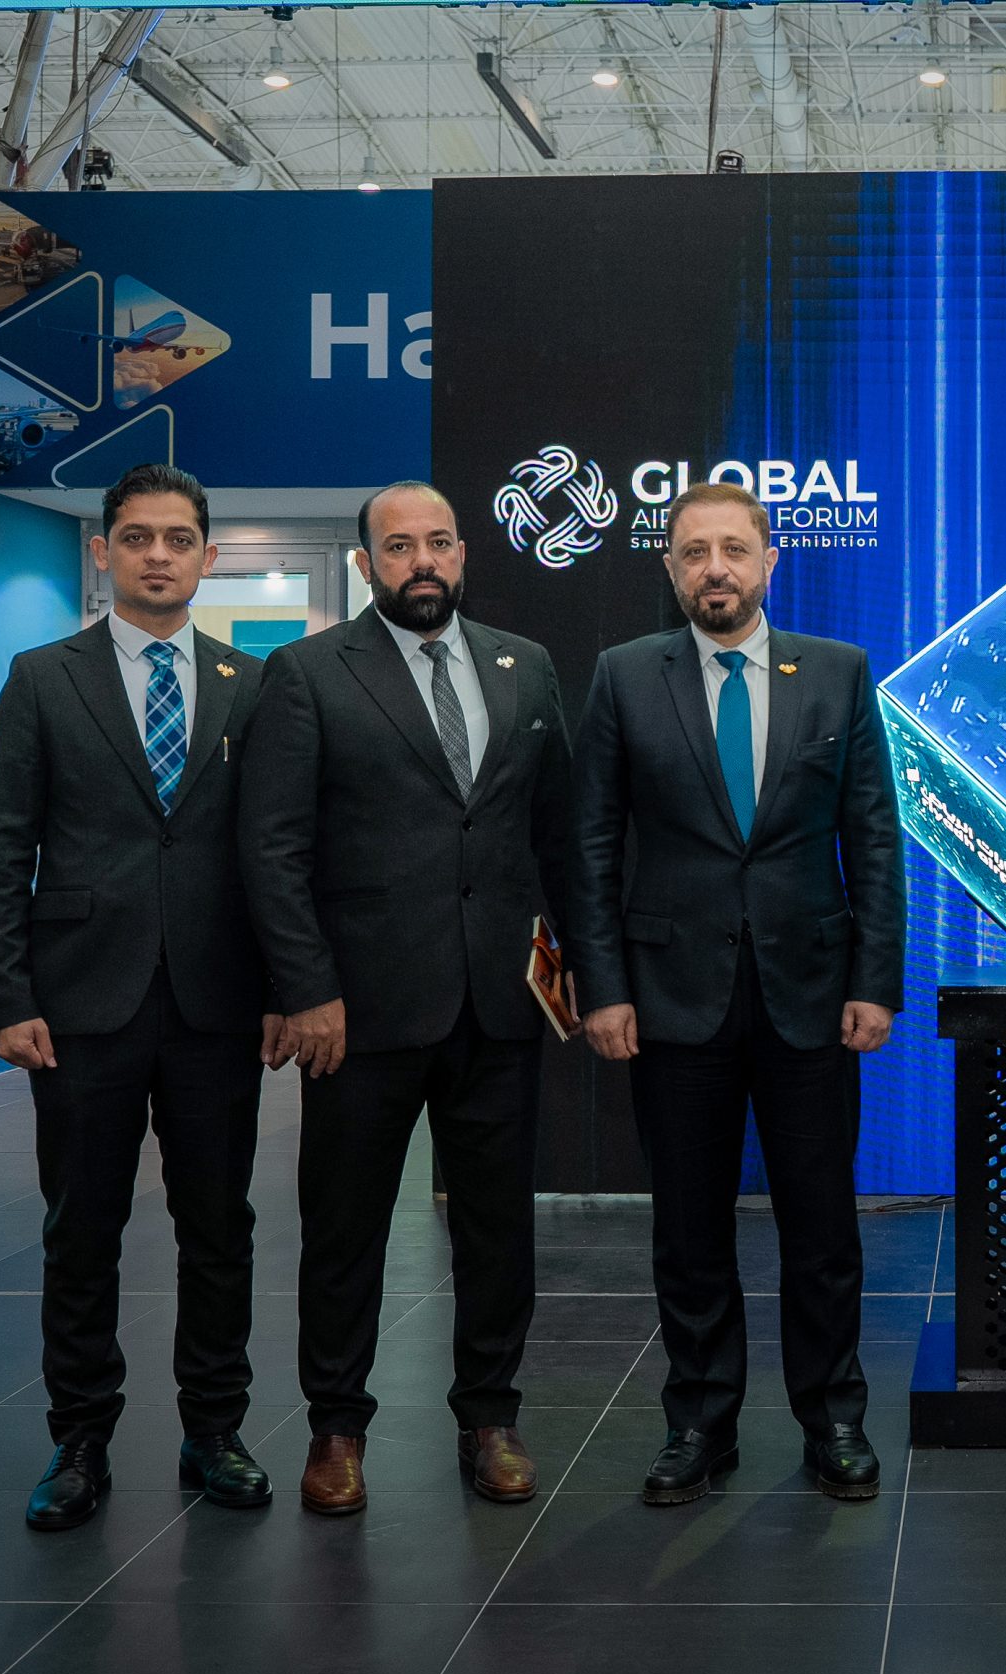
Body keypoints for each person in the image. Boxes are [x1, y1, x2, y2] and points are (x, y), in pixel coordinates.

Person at [238, 481, 574, 1516]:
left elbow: (556, 833)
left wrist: (577, 973)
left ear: (464, 552)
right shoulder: (306, 674)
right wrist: (306, 989)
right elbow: (273, 848)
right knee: (345, 1232)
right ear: (365, 564)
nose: (421, 561)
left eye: (437, 542)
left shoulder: (525, 665)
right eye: (398, 546)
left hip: (499, 1005)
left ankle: (491, 1419)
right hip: (359, 1014)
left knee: (496, 1230)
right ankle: (336, 1429)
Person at [565, 482, 904, 1504]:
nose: (715, 568)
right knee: (689, 1230)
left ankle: (834, 1418)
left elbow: (873, 840)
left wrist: (876, 981)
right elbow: (591, 845)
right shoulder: (625, 676)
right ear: (670, 567)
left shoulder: (838, 672)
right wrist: (602, 986)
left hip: (812, 994)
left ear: (768, 561)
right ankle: (699, 1425)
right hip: (670, 997)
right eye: (694, 552)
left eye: (734, 550)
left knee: (822, 1228)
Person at [0, 463, 278, 1529]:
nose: (159, 555)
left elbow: (273, 853)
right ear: (104, 551)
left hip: (216, 1005)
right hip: (79, 1006)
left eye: (179, 539)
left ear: (207, 556)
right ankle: (80, 1440)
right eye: (138, 537)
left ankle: (216, 1430)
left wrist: (286, 987)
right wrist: (7, 995)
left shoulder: (252, 684)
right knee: (81, 1230)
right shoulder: (41, 679)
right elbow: (4, 850)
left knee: (220, 1227)